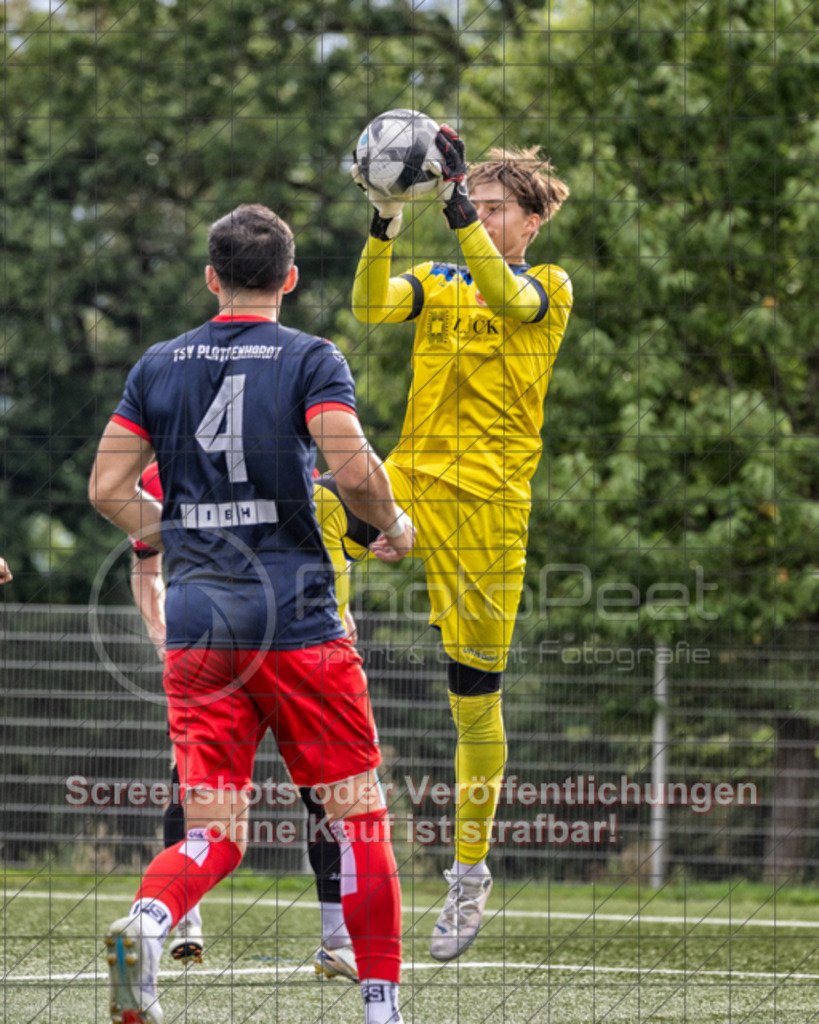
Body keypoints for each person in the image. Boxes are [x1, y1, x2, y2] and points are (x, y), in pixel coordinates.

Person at [90, 203, 414, 1024]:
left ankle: (150, 919)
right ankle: (381, 1010)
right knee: (358, 823)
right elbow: (349, 464)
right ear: (290, 279)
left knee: (215, 831)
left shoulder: (158, 363)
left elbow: (104, 490)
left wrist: (182, 530)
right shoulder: (310, 357)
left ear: (211, 278)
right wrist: (387, 524)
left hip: (199, 626)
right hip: (298, 623)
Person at [350, 129, 573, 961]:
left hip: (490, 512)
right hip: (408, 481)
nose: (477, 217)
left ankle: (468, 875)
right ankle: (323, 652)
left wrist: (451, 220)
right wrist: (382, 221)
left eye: (491, 209)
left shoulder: (548, 286)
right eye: (470, 204)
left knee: (473, 697)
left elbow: (507, 301)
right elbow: (370, 308)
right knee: (313, 514)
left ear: (529, 222)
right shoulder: (442, 280)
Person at [130, 462, 370, 981]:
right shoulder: (169, 473)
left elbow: (333, 549)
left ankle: (155, 920)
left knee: (223, 803)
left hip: (234, 641)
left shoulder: (290, 460)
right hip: (278, 643)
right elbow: (145, 565)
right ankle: (186, 922)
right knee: (336, 799)